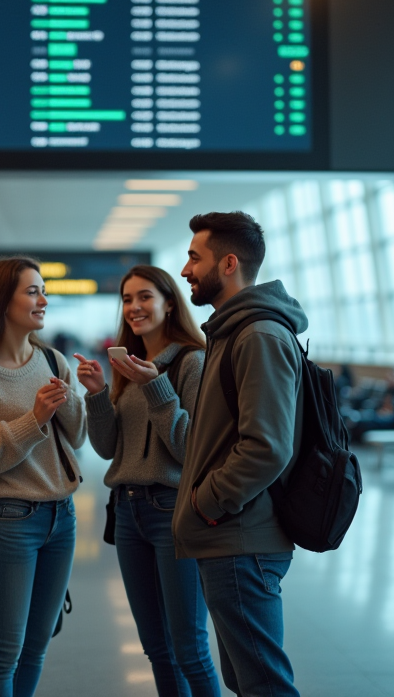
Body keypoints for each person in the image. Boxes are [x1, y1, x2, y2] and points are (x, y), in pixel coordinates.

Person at [171, 211, 307, 697]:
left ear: (228, 264)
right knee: (247, 681)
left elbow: (266, 448)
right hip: (230, 539)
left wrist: (208, 503)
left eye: (193, 257)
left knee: (264, 684)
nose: (185, 270)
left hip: (240, 540)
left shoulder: (257, 336)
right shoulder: (232, 332)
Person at [0, 257, 86, 697]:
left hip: (62, 516)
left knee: (37, 645)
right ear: (1, 302)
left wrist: (76, 398)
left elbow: (77, 438)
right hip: (10, 520)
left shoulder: (51, 359)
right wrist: (34, 418)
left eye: (43, 291)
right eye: (32, 291)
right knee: (5, 649)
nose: (43, 300)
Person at [76, 265, 219, 697]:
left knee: (189, 648)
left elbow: (191, 448)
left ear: (169, 303)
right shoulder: (127, 364)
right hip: (127, 510)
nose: (134, 307)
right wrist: (99, 394)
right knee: (157, 648)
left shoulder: (193, 362)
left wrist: (157, 387)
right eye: (126, 299)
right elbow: (107, 448)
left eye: (144, 297)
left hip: (171, 510)